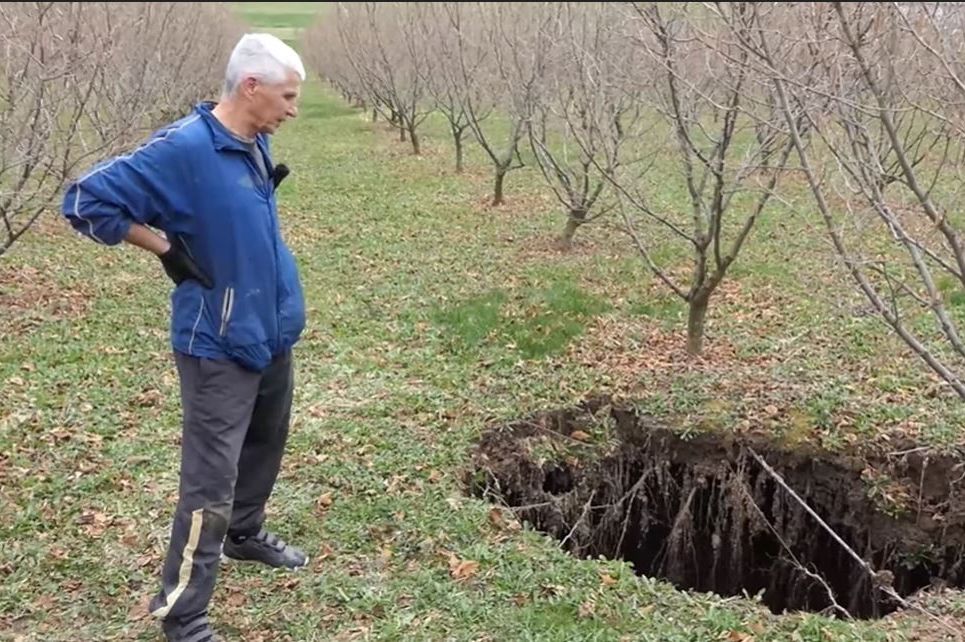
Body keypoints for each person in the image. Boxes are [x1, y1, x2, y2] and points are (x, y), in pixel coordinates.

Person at [61, 33, 309, 642]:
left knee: (265, 444)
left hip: (268, 331)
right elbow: (85, 201)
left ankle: (244, 535)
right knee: (209, 483)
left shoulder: (254, 140)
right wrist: (166, 248)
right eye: (287, 95)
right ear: (250, 87)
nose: (294, 108)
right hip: (217, 345)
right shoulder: (184, 149)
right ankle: (183, 614)